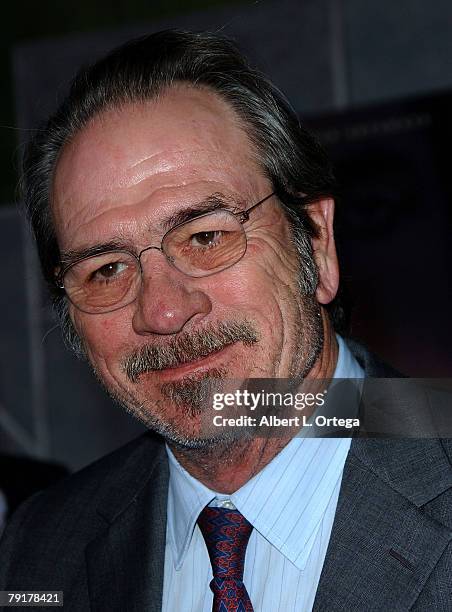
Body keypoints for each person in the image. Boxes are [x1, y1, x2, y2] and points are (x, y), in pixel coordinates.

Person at [0, 30, 451, 612]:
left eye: (205, 236)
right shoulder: (36, 554)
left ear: (315, 244)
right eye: (107, 269)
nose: (163, 311)